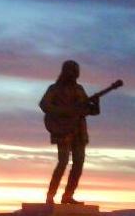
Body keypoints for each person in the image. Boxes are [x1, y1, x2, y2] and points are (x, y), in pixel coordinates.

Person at [39, 60, 100, 204]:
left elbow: (91, 111)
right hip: (63, 131)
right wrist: (64, 112)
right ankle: (50, 195)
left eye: (75, 71)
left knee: (79, 164)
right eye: (71, 71)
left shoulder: (79, 89)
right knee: (63, 162)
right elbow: (44, 104)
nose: (74, 74)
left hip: (79, 131)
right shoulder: (54, 89)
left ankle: (68, 195)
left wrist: (96, 102)